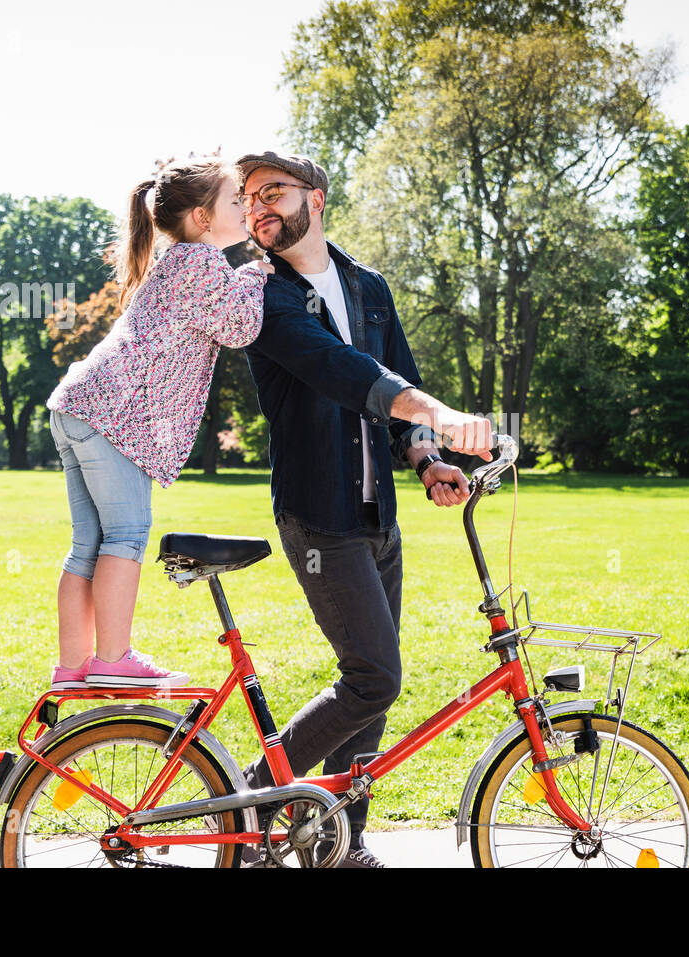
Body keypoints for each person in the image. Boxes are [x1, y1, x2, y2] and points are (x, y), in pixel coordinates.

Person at [232, 151, 493, 867]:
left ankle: (337, 841)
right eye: (249, 197)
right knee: (374, 674)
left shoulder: (368, 287)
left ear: (315, 198)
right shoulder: (262, 296)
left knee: (370, 689)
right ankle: (252, 802)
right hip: (320, 516)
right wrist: (436, 412)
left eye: (272, 192)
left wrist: (426, 454)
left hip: (379, 517)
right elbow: (347, 374)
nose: (257, 207)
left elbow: (396, 374)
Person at [45, 156, 269, 691]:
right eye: (235, 201)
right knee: (125, 535)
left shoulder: (175, 260)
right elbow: (239, 327)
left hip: (79, 405)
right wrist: (258, 275)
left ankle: (73, 665)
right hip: (116, 416)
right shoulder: (202, 263)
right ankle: (114, 658)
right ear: (202, 216)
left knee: (88, 542)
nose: (245, 208)